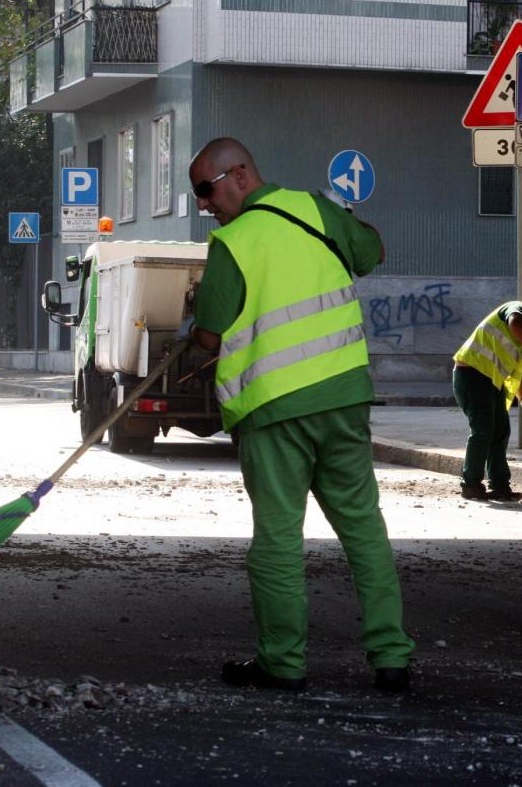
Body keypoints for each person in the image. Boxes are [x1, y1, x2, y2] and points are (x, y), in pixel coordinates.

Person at [182, 137, 414, 692]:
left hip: (275, 409)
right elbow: (371, 253)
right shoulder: (317, 210)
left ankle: (282, 663)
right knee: (364, 530)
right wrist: (342, 216)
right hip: (343, 399)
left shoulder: (233, 243)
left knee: (279, 540)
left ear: (239, 175)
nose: (204, 205)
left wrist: (192, 335)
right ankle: (391, 659)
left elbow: (210, 335)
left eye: (205, 190)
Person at [452, 300, 522, 501]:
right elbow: (514, 321)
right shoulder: (517, 309)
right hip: (471, 374)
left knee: (500, 431)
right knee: (483, 429)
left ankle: (500, 485)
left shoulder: (519, 342)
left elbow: (515, 377)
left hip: (491, 382)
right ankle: (470, 484)